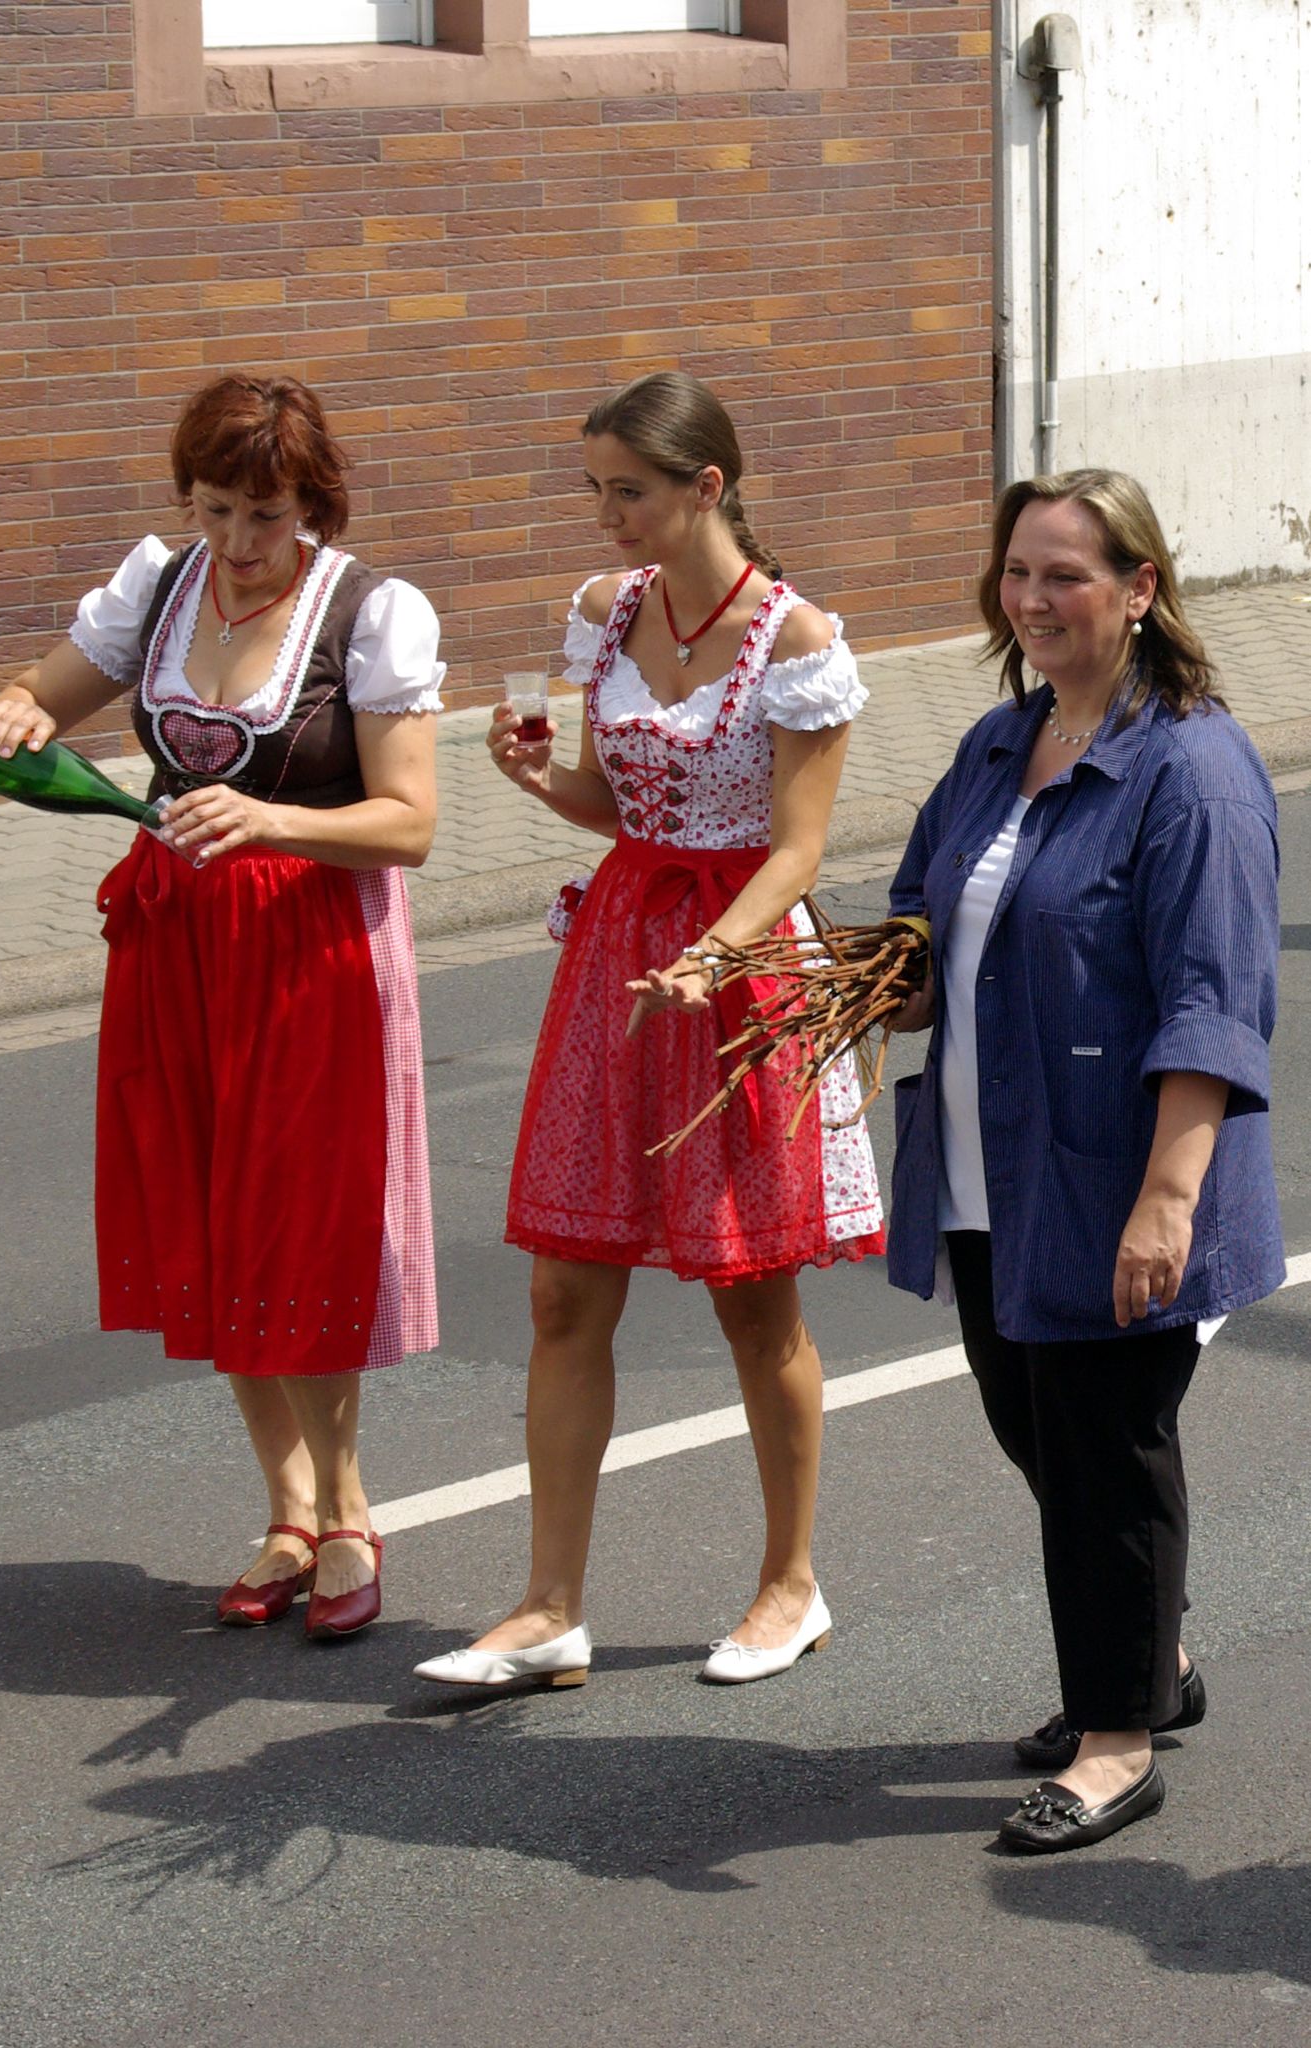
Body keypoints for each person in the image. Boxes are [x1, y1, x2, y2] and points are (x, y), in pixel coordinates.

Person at [414, 370, 883, 1695]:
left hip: (739, 969)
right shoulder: (602, 611)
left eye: (627, 490)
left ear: (704, 486)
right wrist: (540, 780)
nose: (605, 514)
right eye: (596, 488)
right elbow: (619, 808)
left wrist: (714, 955)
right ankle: (546, 1607)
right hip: (621, 958)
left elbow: (795, 850)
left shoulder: (797, 640)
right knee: (563, 1287)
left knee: (750, 1295)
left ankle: (789, 1583)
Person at [0, 374, 443, 1639]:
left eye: (266, 514)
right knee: (210, 1205)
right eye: (216, 508)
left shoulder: (369, 610)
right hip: (177, 938)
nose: (239, 539)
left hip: (312, 943)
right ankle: (285, 1511)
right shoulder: (160, 584)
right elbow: (47, 694)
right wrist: (21, 703)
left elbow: (408, 823)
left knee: (301, 1221)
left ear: (313, 503)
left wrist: (269, 818)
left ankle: (346, 1511)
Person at [886, 468, 1282, 1851]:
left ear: (1138, 589)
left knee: (1106, 1450)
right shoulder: (1001, 739)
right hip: (987, 1164)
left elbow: (1211, 1000)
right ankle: (1149, 1653)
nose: (1032, 599)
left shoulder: (1193, 771)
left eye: (1065, 574)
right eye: (1016, 572)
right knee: (1036, 1430)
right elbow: (923, 911)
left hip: (1113, 1172)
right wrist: (862, 977)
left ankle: (1116, 1741)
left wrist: (1165, 1199)